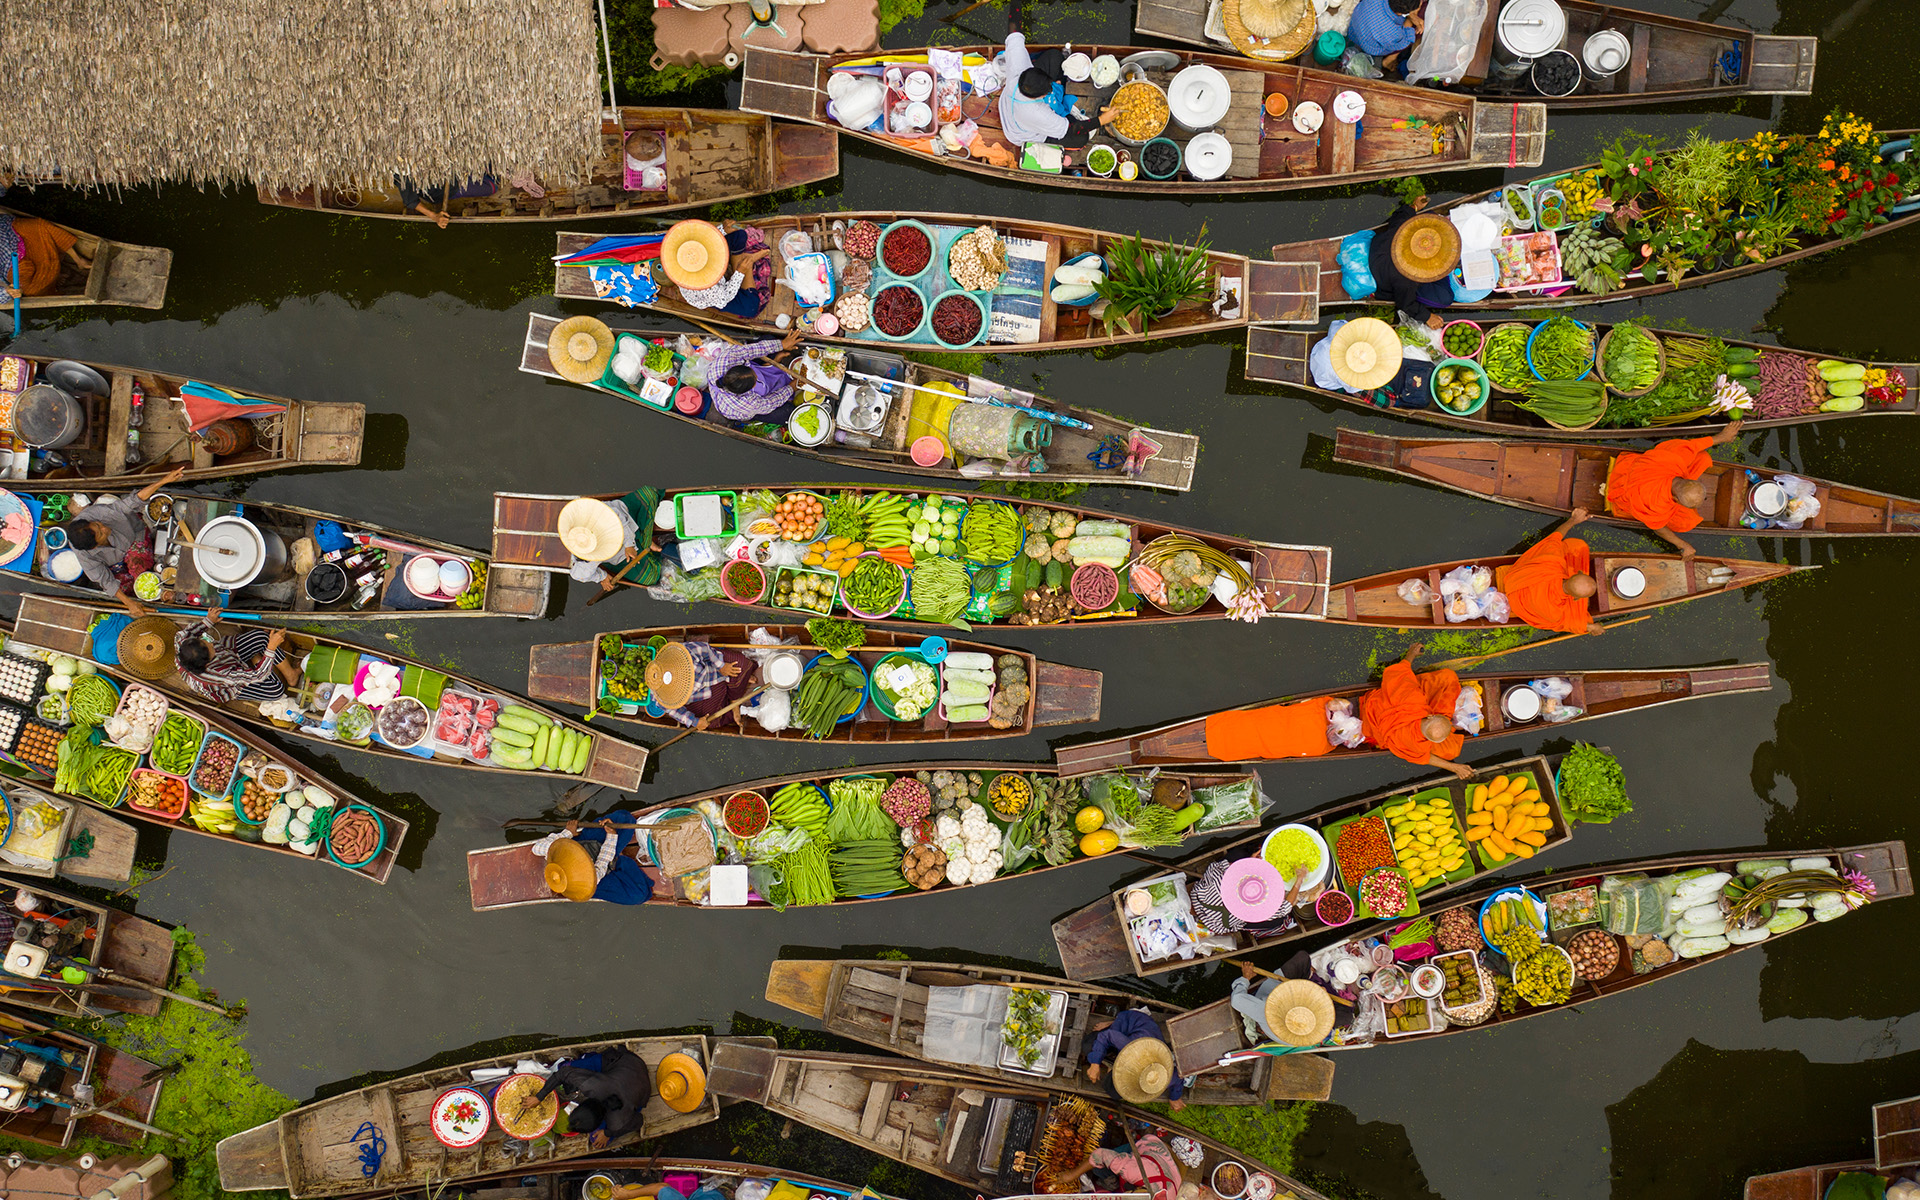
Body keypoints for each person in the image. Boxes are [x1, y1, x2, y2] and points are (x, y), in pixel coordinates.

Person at [1601, 422, 1744, 558]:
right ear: (1675, 500)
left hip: (1627, 467)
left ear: (1688, 479)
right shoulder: (1657, 504)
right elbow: (1659, 528)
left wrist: (1722, 437)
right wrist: (1682, 544)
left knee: (1702, 458)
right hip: (1620, 487)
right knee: (1688, 522)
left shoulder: (1674, 459)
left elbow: (1692, 446)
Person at [60, 465, 186, 615]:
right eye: (101, 533)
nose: (104, 528)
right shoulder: (85, 554)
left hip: (134, 536)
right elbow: (104, 579)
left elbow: (132, 502)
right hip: (116, 562)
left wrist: (164, 480)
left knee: (139, 570)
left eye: (98, 525)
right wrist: (130, 604)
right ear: (94, 547)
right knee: (129, 590)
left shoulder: (96, 514)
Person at [1359, 643, 1473, 779]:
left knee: (1447, 677)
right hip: (1376, 720)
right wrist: (1454, 767)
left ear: (1430, 716)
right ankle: (1447, 725)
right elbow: (1423, 758)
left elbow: (1396, 674)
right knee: (1451, 751)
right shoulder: (1417, 744)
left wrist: (1411, 655)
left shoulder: (1412, 700)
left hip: (1375, 708)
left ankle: (1446, 724)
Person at [996, 33, 1106, 148]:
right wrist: (1101, 120)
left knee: (1054, 56)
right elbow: (1072, 129)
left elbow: (1014, 32)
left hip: (1011, 102)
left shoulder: (1018, 67)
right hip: (1022, 132)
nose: (1051, 89)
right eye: (1048, 91)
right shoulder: (1037, 113)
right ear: (1039, 97)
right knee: (1081, 138)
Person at [173, 608, 302, 702]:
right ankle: (255, 660)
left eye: (204, 641)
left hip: (226, 652)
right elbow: (258, 676)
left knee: (262, 637)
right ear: (207, 662)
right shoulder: (218, 675)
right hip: (231, 684)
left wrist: (208, 621)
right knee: (276, 691)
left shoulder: (181, 641)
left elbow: (190, 631)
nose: (210, 643)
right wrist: (271, 648)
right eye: (209, 647)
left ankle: (291, 675)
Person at [1502, 510, 1599, 635]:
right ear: (1575, 598)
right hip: (1516, 602)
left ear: (1575, 574)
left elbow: (1555, 537)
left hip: (1514, 579)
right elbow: (1564, 624)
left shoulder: (1552, 561)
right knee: (1580, 617)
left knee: (1575, 545)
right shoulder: (1555, 613)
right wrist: (1589, 627)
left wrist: (1573, 520)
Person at [533, 1045, 653, 1145]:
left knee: (595, 1139)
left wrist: (608, 1133)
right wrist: (539, 1097)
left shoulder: (616, 1121)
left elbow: (639, 1120)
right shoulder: (593, 1086)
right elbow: (562, 1073)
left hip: (635, 1080)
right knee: (564, 1067)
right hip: (627, 1066)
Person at [1368, 197, 1457, 328]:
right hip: (1384, 275)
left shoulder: (1403, 229)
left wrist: (1414, 206)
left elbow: (1401, 215)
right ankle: (1444, 272)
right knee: (1446, 298)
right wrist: (1427, 316)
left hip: (1379, 249)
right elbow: (1405, 304)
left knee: (1431, 216)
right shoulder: (1407, 278)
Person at [530, 813, 656, 905]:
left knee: (625, 819)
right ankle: (619, 862)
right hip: (598, 872)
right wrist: (612, 835)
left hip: (585, 843)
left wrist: (568, 833)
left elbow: (537, 848)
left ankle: (617, 857)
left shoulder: (555, 852)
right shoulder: (590, 878)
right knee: (639, 895)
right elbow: (603, 860)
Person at [556, 492, 664, 593]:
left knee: (649, 494)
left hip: (626, 526)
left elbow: (618, 515)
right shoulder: (584, 556)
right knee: (651, 577)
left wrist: (629, 544)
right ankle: (645, 540)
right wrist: (602, 576)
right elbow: (579, 575)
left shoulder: (596, 511)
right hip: (619, 555)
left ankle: (645, 539)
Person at [644, 640, 757, 729]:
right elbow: (674, 711)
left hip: (713, 671)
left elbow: (706, 650)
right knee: (711, 722)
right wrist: (695, 722)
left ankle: (734, 698)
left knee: (742, 664)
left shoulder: (682, 653)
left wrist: (721, 666)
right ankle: (735, 693)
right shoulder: (662, 698)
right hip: (704, 694)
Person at [1085, 1011, 1185, 1108]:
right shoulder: (1130, 1047)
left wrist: (1174, 1098)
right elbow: (1106, 1035)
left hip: (1150, 1036)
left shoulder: (1162, 1078)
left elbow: (1178, 1078)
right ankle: (1111, 1023)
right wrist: (1095, 1063)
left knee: (1115, 1092)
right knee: (1087, 1047)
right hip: (1133, 1022)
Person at [702, 329, 805, 422]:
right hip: (748, 410)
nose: (758, 377)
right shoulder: (746, 403)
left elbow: (750, 350)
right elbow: (771, 402)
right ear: (750, 389)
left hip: (743, 375)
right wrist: (792, 387)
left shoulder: (726, 360)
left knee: (768, 339)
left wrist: (781, 344)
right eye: (756, 379)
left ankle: (767, 363)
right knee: (788, 412)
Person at [1057, 1131, 1182, 1200]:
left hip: (1166, 1167)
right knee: (1098, 1171)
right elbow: (1099, 1154)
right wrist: (1072, 1175)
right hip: (1148, 1147)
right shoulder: (1131, 1170)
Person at [0, 215, 92, 298]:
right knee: (31, 289)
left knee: (39, 226)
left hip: (10, 231)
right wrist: (8, 292)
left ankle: (79, 261)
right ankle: (53, 280)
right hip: (10, 264)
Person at [1347, 0, 1423, 71]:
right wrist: (1412, 17)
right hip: (1371, 48)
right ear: (1403, 13)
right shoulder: (1393, 32)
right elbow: (1406, 39)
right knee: (1418, 25)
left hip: (1354, 30)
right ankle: (1389, 59)